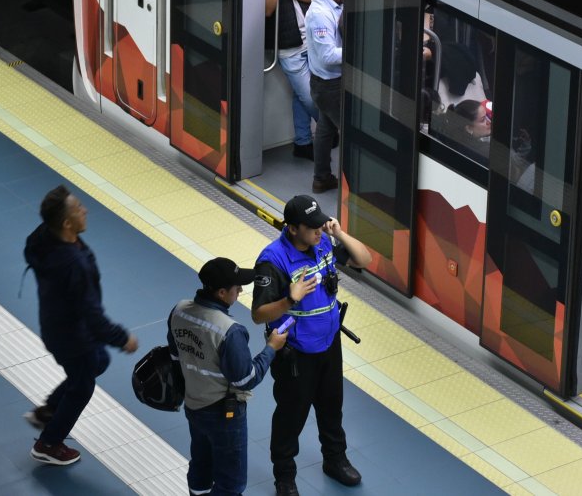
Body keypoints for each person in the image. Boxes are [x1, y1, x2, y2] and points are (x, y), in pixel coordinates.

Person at [252, 195, 373, 496]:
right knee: (291, 416)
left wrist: (339, 233)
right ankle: (285, 476)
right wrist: (290, 298)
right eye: (312, 226)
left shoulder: (323, 243)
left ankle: (335, 459)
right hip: (296, 353)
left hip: (329, 345)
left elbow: (364, 259)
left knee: (332, 407)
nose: (319, 230)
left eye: (321, 224)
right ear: (293, 228)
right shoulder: (273, 260)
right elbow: (258, 315)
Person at [23, 185, 139, 465]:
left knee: (98, 361)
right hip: (74, 336)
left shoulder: (44, 238)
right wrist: (123, 338)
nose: (85, 210)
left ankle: (48, 410)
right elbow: (92, 315)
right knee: (82, 386)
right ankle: (48, 444)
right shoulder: (73, 264)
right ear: (66, 223)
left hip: (55, 325)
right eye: (78, 209)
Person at [167, 258, 287, 496]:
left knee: (201, 465)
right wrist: (271, 348)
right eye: (237, 287)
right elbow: (245, 379)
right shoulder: (229, 330)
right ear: (222, 292)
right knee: (231, 485)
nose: (241, 290)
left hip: (193, 404)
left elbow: (174, 355)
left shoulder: (179, 310)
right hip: (224, 415)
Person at [266, 0, 320, 160]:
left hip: (311, 39)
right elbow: (267, 10)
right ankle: (334, 129)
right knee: (310, 97)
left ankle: (303, 143)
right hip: (288, 46)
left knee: (302, 95)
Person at [305, 0, 346, 194]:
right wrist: (359, 53)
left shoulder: (333, 4)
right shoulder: (320, 15)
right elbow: (328, 55)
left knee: (325, 130)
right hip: (329, 85)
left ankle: (321, 179)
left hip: (328, 84)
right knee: (350, 134)